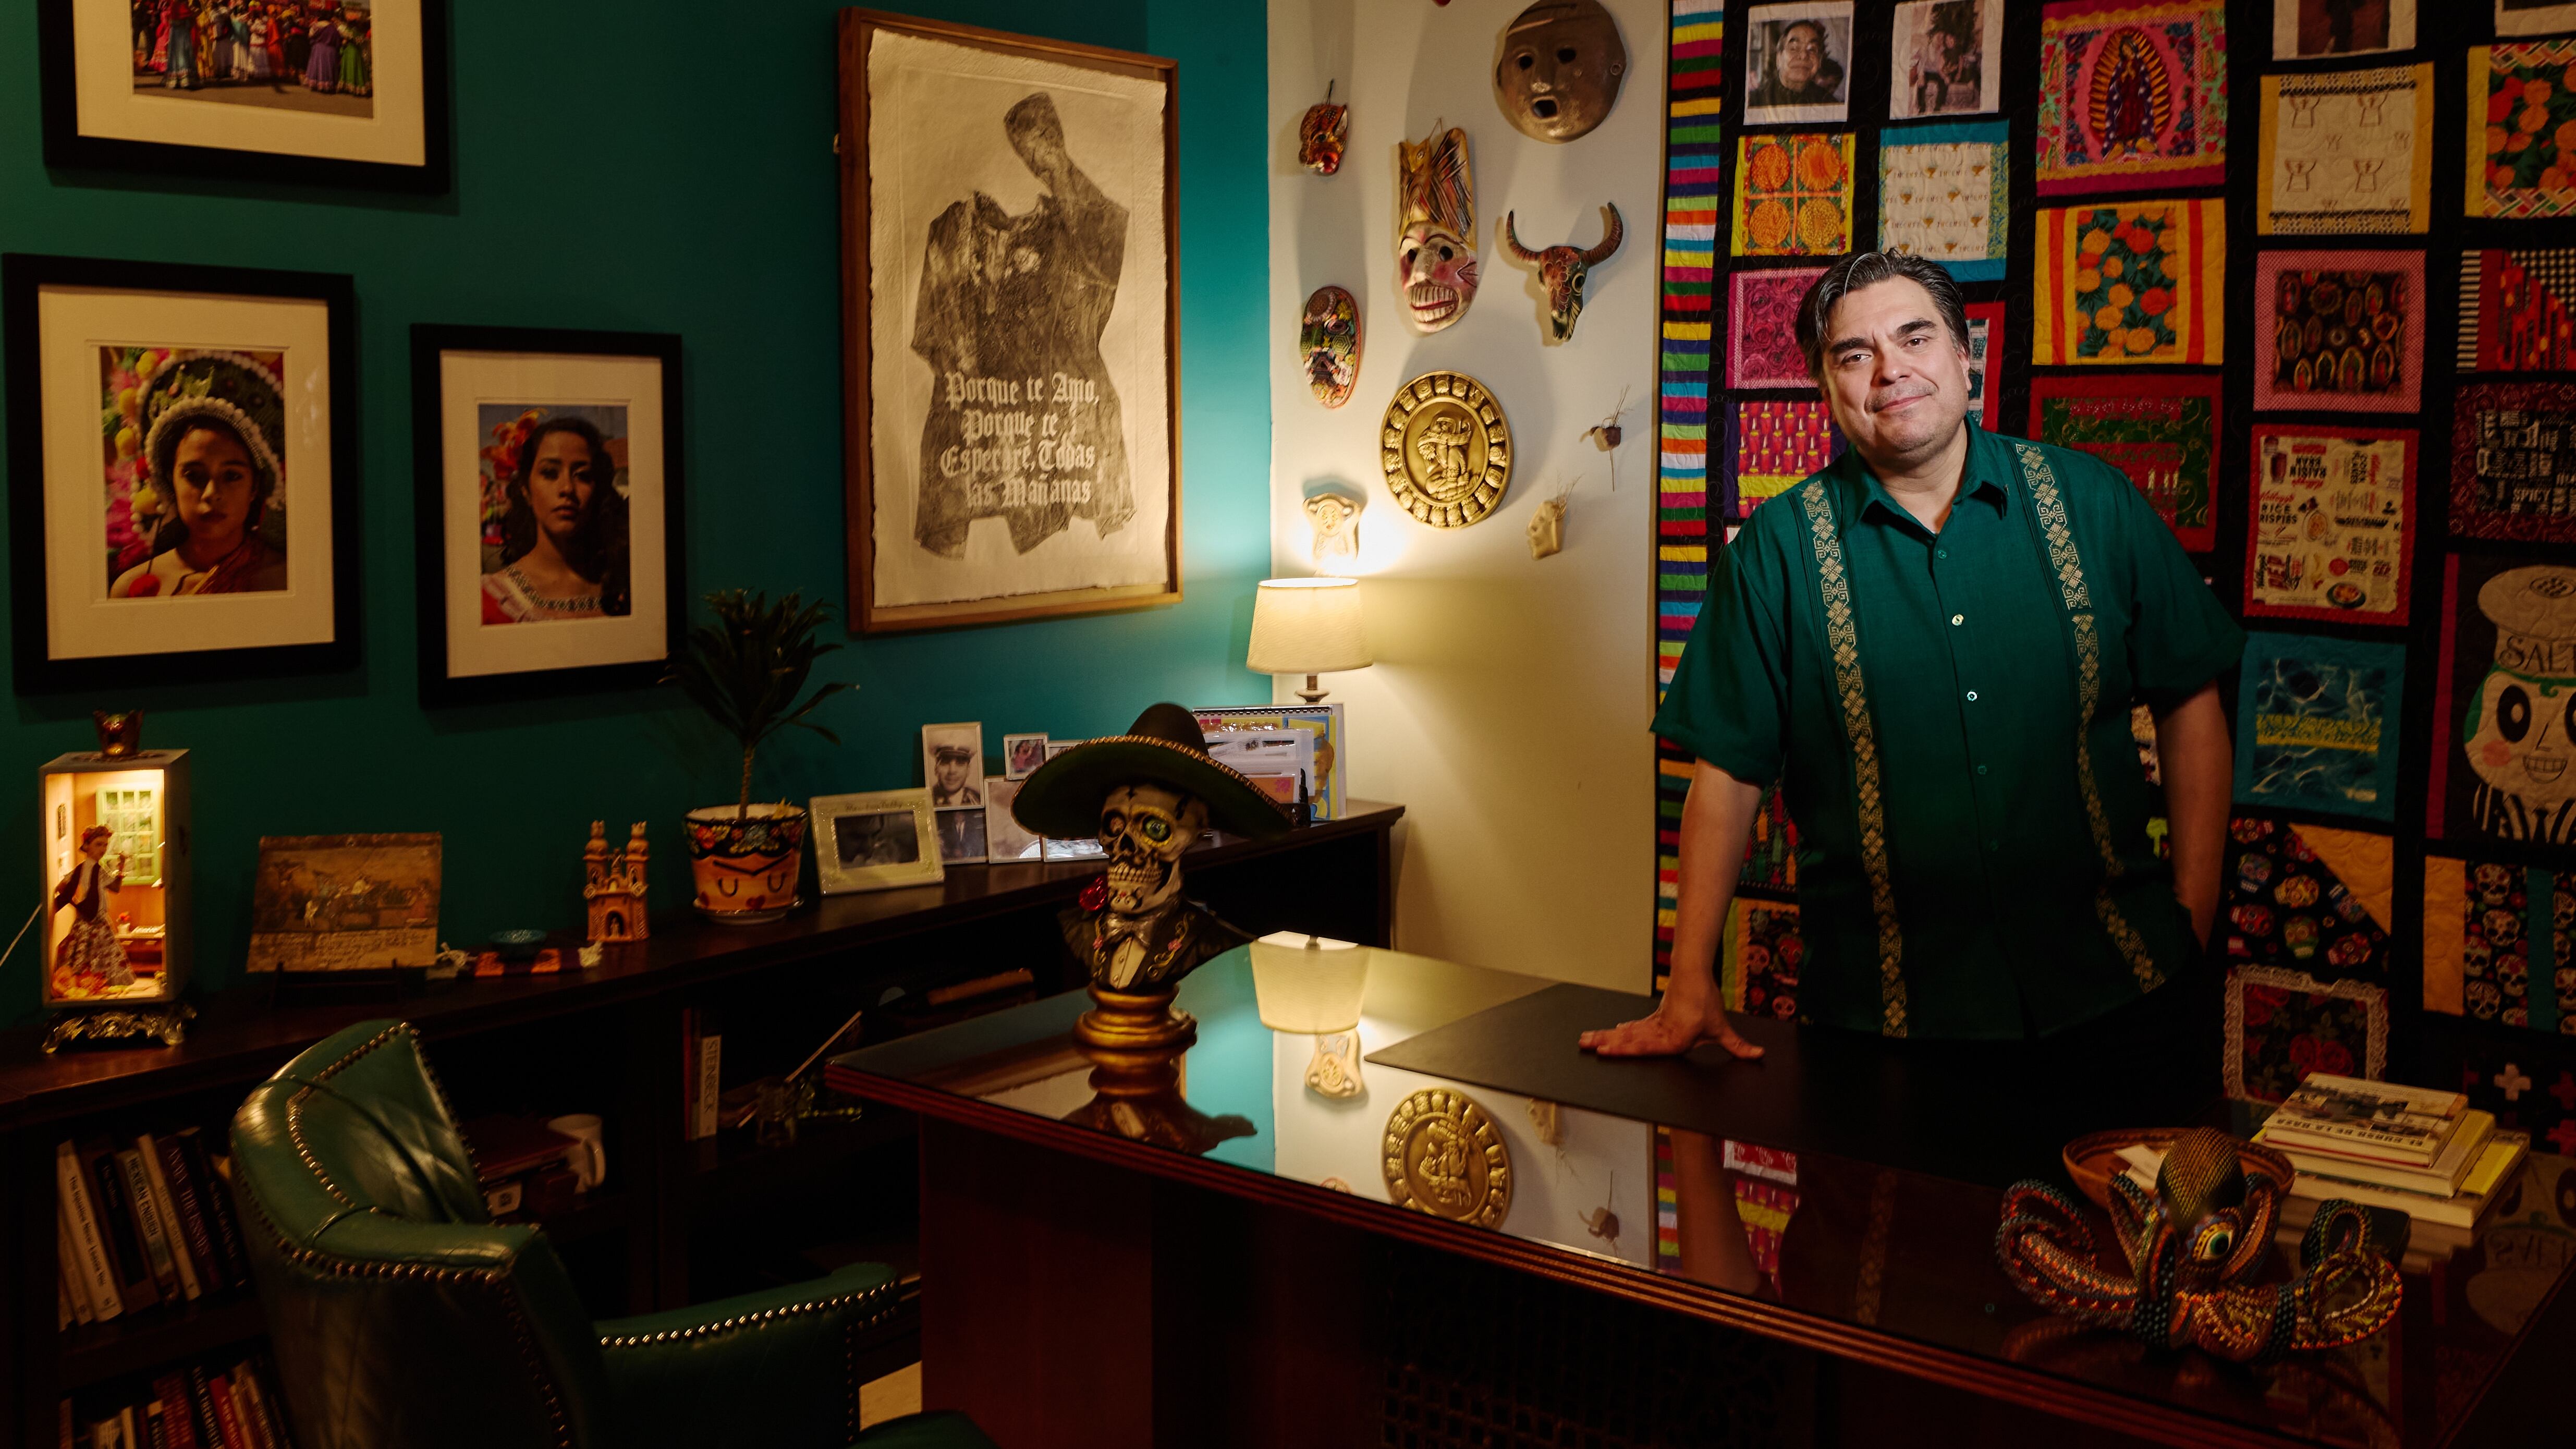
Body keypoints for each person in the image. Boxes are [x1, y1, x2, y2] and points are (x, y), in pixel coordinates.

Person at [1581, 252, 2239, 1082]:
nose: (1889, 370)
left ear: (1965, 357)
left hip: (2118, 994)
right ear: (1827, 389)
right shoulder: (1775, 552)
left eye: (1914, 337)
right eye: (1853, 354)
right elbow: (1728, 772)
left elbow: (2191, 698)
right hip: (1879, 1024)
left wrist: (2193, 914)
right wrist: (1686, 985)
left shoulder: (2092, 501)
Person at [112, 355, 290, 598]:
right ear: (169, 481)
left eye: (232, 476)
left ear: (255, 487)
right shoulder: (130, 590)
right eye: (193, 475)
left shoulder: (286, 582)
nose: (211, 494)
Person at [481, 416, 629, 624]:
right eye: (550, 473)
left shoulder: (625, 590)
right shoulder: (489, 601)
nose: (567, 488)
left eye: (583, 475)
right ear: (526, 490)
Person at [52, 826, 133, 998]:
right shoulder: (80, 870)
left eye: (105, 845)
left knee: (105, 955)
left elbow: (115, 888)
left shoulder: (101, 870)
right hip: (85, 922)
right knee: (82, 955)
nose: (103, 849)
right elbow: (62, 887)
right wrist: (75, 902)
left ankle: (100, 986)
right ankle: (84, 985)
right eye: (98, 845)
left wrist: (122, 866)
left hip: (100, 922)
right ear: (87, 846)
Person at [1750, 19, 1840, 109]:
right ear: (1779, 59)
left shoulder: (1830, 103)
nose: (1804, 55)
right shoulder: (1754, 102)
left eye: (1812, 50)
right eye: (1794, 48)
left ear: (1819, 61)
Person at [931, 743, 983, 807]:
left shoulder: (978, 799)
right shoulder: (927, 800)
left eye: (960, 763)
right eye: (945, 763)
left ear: (968, 769)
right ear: (936, 768)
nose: (952, 771)